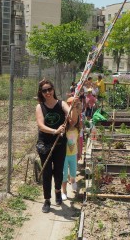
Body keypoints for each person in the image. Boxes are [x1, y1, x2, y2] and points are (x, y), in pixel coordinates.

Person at [36, 79, 79, 213]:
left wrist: (75, 107)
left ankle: (58, 192)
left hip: (60, 143)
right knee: (47, 172)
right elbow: (41, 125)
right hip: (45, 143)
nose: (48, 92)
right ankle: (47, 199)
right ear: (41, 93)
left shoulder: (62, 104)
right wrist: (55, 131)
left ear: (53, 90)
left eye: (49, 89)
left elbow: (72, 121)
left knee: (59, 170)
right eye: (44, 90)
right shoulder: (39, 107)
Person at [61, 96, 81, 201]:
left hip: (73, 154)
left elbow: (78, 140)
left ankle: (73, 181)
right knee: (64, 174)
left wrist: (79, 152)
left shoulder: (77, 127)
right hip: (64, 154)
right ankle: (63, 191)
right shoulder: (65, 125)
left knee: (73, 172)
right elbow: (71, 120)